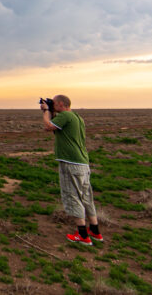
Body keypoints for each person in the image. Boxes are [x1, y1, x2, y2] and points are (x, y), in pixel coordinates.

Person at [41, 94, 103, 245]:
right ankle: (95, 231)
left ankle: (82, 235)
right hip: (82, 163)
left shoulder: (66, 116)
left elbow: (48, 126)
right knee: (86, 197)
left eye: (54, 104)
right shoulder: (75, 117)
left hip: (70, 163)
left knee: (72, 196)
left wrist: (45, 111)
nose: (52, 106)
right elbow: (57, 128)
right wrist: (51, 111)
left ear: (61, 104)